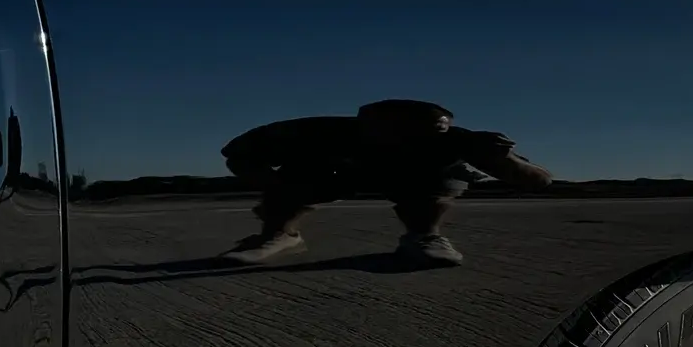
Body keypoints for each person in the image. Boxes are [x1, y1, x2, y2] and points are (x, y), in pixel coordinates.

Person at [220, 99, 551, 266]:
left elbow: (539, 181)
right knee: (300, 172)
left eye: (420, 138)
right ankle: (279, 234)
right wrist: (276, 188)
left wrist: (504, 158)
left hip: (415, 180)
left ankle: (424, 237)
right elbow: (237, 154)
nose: (405, 142)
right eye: (398, 135)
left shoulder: (456, 141)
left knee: (439, 175)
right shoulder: (313, 132)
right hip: (336, 171)